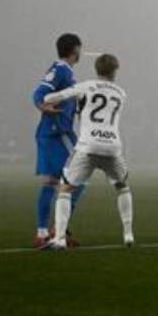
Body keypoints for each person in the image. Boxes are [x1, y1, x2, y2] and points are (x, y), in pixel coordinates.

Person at [38, 53, 134, 250]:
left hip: (88, 145)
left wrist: (49, 100)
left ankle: (60, 239)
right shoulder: (121, 93)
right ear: (114, 71)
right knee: (122, 187)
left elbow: (53, 96)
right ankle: (128, 234)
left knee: (65, 188)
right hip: (113, 147)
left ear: (97, 70)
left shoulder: (85, 86)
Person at [30, 32, 86, 247]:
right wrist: (42, 104)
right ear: (76, 50)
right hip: (58, 133)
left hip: (50, 132)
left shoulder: (64, 71)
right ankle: (57, 229)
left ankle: (43, 233)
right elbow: (40, 91)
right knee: (80, 177)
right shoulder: (61, 69)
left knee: (51, 182)